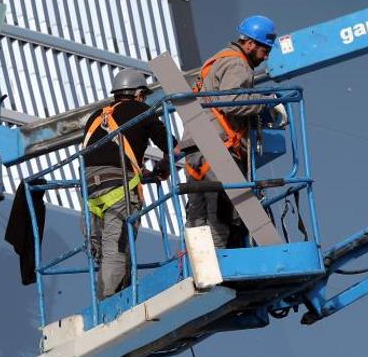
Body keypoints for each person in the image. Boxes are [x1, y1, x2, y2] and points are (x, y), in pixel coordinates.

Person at [184, 15, 287, 248]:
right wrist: (265, 102)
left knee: (198, 217)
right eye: (264, 49)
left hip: (197, 146)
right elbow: (230, 100)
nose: (267, 55)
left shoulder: (216, 61)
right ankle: (219, 270)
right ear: (250, 43)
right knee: (221, 216)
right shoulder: (238, 63)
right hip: (219, 146)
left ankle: (200, 268)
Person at [82, 69, 177, 299]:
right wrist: (163, 168)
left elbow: (109, 153)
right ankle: (107, 302)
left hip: (90, 188)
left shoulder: (96, 117)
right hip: (118, 187)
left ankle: (116, 292)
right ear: (139, 93)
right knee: (118, 245)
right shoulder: (141, 110)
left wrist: (140, 171)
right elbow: (170, 146)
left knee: (102, 248)